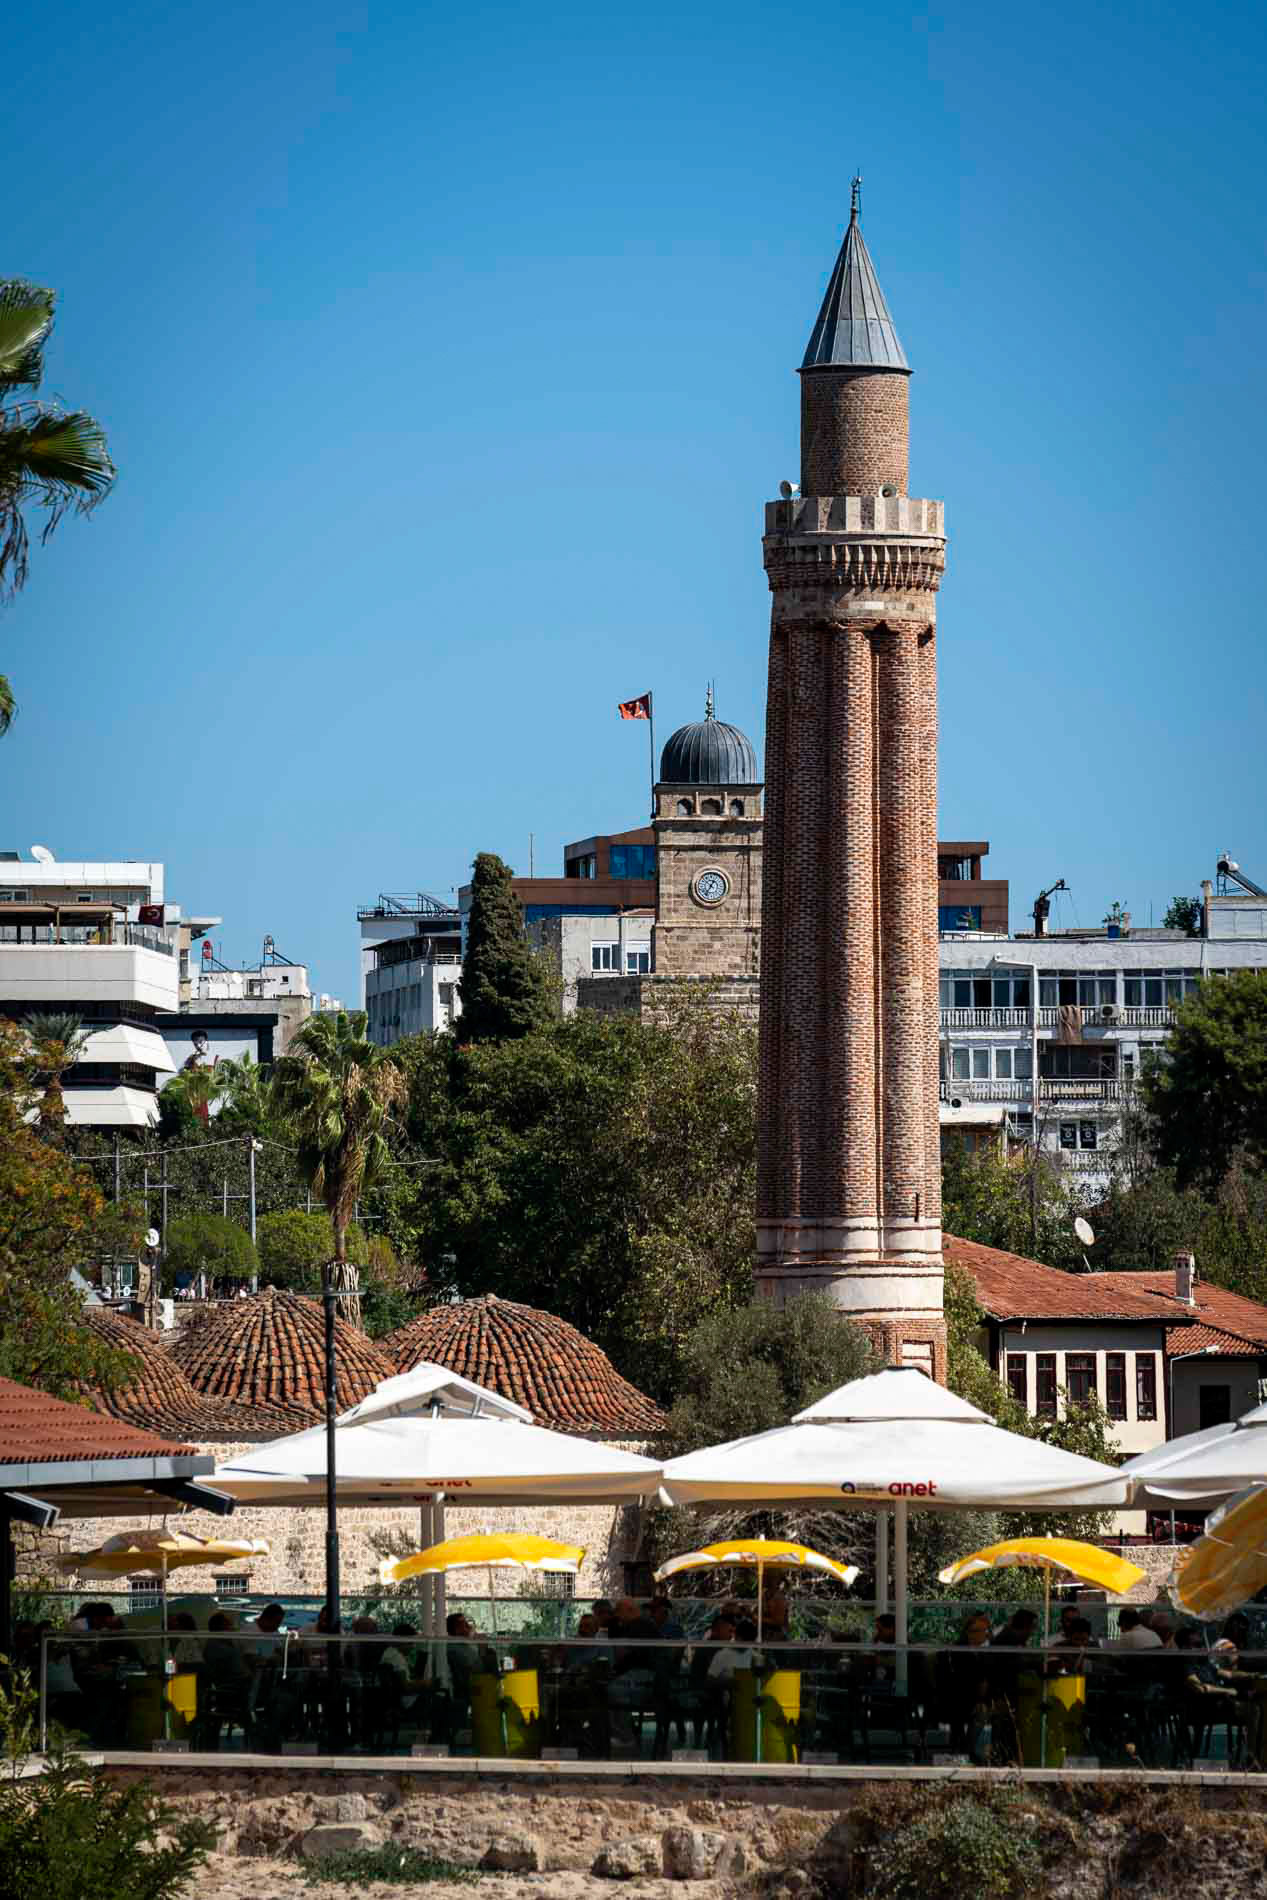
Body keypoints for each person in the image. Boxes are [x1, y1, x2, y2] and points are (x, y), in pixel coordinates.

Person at [707, 1616, 757, 1684]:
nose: (746, 1645)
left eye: (750, 1642)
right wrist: (727, 1682)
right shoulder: (722, 1655)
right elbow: (710, 1679)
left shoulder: (756, 1656)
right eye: (743, 1640)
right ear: (736, 1636)